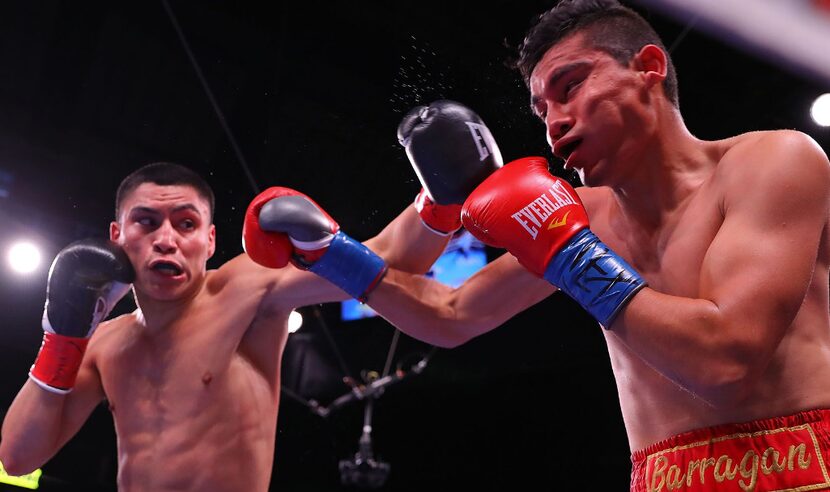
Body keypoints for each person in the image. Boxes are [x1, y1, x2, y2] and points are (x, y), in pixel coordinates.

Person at [249, 1, 830, 490]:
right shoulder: (586, 216)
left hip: (801, 466)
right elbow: (451, 314)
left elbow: (725, 362)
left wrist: (568, 253)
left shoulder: (771, 162)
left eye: (571, 86)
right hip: (661, 476)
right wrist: (332, 251)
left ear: (649, 67)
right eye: (541, 108)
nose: (553, 120)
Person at [0, 157, 480, 491]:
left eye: (185, 224)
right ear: (117, 236)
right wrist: (62, 336)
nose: (166, 239)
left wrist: (441, 195)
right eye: (146, 222)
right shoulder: (104, 342)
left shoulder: (245, 288)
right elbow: (18, 458)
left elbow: (393, 256)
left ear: (210, 241)